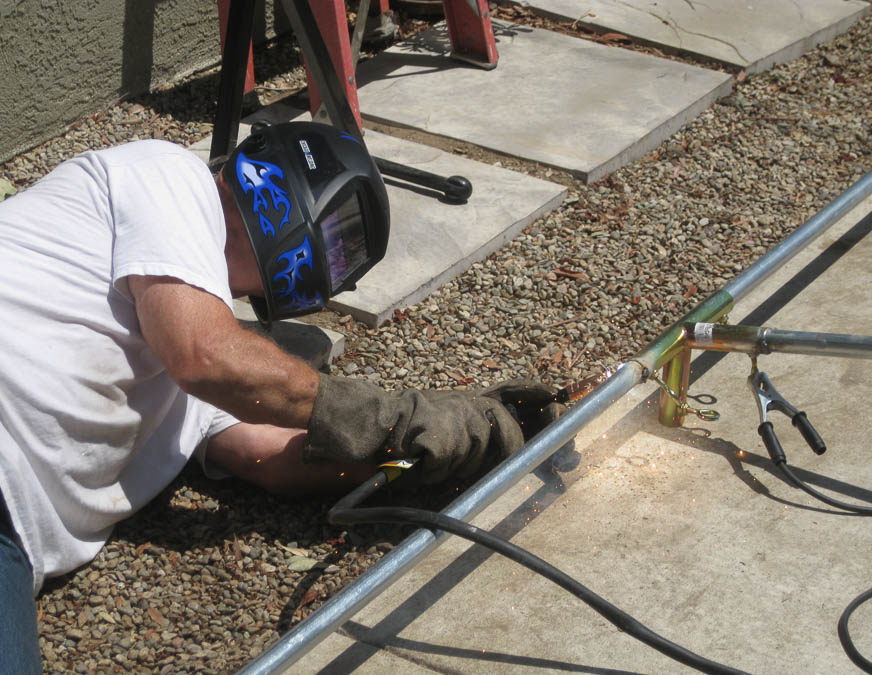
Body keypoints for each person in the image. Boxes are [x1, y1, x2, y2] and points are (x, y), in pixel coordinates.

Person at [0, 121, 562, 672]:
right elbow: (207, 356)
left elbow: (272, 457)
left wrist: (435, 453)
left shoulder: (200, 337)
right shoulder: (165, 176)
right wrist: (391, 417)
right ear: (284, 201)